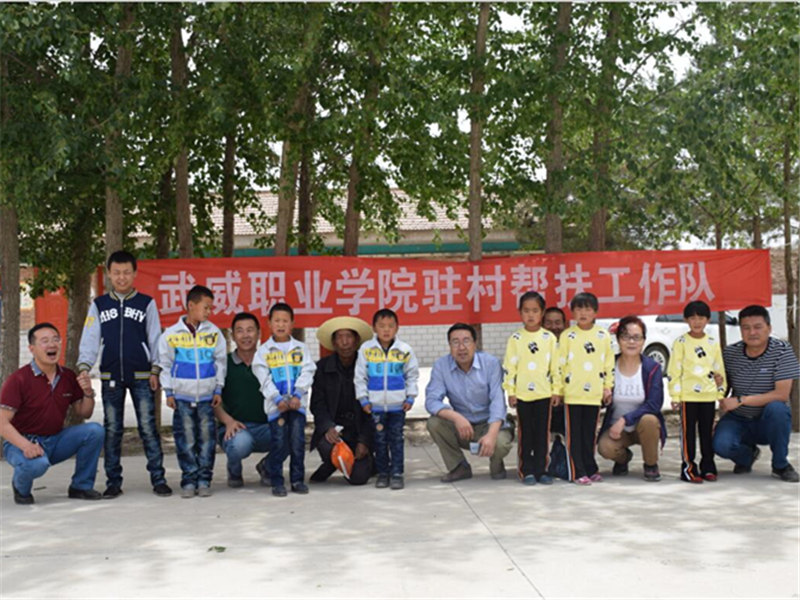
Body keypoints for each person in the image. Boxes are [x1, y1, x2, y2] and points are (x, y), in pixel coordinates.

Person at [76, 250, 171, 499]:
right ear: (109, 274)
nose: (121, 277)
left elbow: (155, 338)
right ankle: (113, 482)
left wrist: (156, 368)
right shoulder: (99, 305)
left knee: (148, 428)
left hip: (142, 376)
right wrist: (84, 365)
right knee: (112, 430)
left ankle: (159, 479)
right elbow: (90, 337)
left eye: (126, 272)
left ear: (135, 273)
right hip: (110, 377)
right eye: (116, 272)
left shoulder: (146, 303)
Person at [1, 323, 104, 504]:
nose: (52, 344)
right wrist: (26, 445)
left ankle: (81, 486)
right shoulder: (19, 379)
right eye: (45, 341)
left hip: (55, 440)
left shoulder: (67, 376)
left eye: (56, 339)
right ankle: (20, 487)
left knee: (95, 431)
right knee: (37, 465)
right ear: (32, 349)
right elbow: (2, 422)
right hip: (21, 442)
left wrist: (88, 393)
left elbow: (84, 412)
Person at [713, 305, 800, 482]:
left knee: (778, 409)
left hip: (768, 421)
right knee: (721, 444)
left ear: (769, 328)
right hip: (738, 418)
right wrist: (716, 387)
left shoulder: (782, 351)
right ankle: (747, 456)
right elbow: (722, 390)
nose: (752, 332)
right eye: (746, 328)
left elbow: (781, 395)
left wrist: (741, 400)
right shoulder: (730, 353)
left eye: (758, 327)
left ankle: (780, 465)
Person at [157, 285, 227, 498]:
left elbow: (220, 362)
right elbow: (165, 364)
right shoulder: (171, 334)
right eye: (205, 307)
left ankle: (204, 479)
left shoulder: (214, 333)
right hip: (182, 399)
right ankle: (188, 479)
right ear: (190, 305)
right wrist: (169, 392)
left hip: (206, 398)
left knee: (206, 440)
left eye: (211, 308)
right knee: (185, 440)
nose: (209, 312)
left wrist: (218, 388)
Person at [426, 323, 513, 482]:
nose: (461, 347)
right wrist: (456, 417)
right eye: (455, 342)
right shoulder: (441, 366)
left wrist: (491, 435)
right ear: (449, 346)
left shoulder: (491, 363)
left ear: (475, 343)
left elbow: (498, 402)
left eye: (466, 341)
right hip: (463, 427)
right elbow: (431, 401)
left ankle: (496, 463)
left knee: (501, 442)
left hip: (488, 423)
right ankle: (459, 467)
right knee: (434, 423)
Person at [252, 302, 316, 497]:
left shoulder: (301, 348)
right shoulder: (264, 351)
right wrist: (276, 398)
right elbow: (263, 379)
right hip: (276, 407)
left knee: (297, 443)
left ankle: (297, 480)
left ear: (292, 324)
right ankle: (277, 481)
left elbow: (308, 371)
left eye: (285, 321)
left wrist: (298, 394)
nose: (281, 325)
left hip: (297, 405)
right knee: (278, 443)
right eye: (277, 321)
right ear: (269, 324)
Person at [553, 292, 614, 485]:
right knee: (574, 435)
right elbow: (559, 365)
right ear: (572, 313)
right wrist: (558, 390)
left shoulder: (603, 335)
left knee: (589, 434)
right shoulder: (567, 336)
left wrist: (607, 387)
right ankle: (577, 471)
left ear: (595, 312)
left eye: (587, 309)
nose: (583, 313)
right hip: (572, 394)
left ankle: (590, 468)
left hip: (594, 394)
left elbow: (608, 364)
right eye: (578, 309)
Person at [355, 308, 419, 490]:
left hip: (397, 406)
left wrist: (410, 397)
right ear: (374, 328)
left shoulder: (404, 350)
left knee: (396, 439)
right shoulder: (366, 350)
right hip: (375, 406)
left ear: (397, 328)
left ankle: (397, 473)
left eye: (390, 326)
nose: (386, 330)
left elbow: (412, 375)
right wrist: (363, 399)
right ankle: (383, 473)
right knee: (379, 440)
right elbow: (360, 377)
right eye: (382, 326)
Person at [598, 315, 666, 482]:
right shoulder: (609, 365)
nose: (631, 342)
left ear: (643, 341)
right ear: (618, 339)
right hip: (617, 430)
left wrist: (625, 419)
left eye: (636, 337)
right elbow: (599, 399)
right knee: (605, 448)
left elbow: (654, 404)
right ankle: (623, 459)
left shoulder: (652, 368)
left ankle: (650, 464)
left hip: (643, 427)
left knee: (650, 420)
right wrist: (602, 398)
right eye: (626, 337)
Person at [309, 315, 375, 485]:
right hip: (336, 429)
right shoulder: (322, 367)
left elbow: (373, 407)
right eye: (340, 337)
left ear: (357, 341)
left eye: (349, 337)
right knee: (327, 445)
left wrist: (364, 440)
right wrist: (328, 427)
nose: (345, 342)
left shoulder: (368, 366)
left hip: (359, 429)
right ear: (334, 342)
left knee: (358, 478)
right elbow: (317, 404)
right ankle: (332, 462)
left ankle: (344, 464)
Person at [667, 300, 726, 483]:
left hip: (708, 395)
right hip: (688, 396)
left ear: (707, 320)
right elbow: (674, 370)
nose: (697, 322)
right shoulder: (681, 343)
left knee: (707, 433)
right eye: (692, 318)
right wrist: (675, 395)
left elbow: (719, 369)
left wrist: (720, 393)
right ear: (686, 320)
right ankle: (689, 468)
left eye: (701, 318)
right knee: (688, 434)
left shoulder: (712, 342)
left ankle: (708, 466)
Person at [503, 291, 558, 485]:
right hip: (523, 395)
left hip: (544, 394)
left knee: (542, 433)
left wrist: (556, 390)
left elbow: (555, 367)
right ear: (520, 312)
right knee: (526, 433)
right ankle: (526, 470)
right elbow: (510, 367)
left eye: (535, 310)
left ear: (542, 312)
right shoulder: (516, 339)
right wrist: (511, 391)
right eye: (526, 311)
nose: (531, 315)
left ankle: (542, 469)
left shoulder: (549, 338)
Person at [215, 312, 271, 488]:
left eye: (250, 330)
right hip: (234, 427)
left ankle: (268, 466)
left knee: (292, 434)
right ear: (232, 336)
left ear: (259, 333)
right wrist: (228, 421)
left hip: (266, 427)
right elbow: (213, 400)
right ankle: (234, 471)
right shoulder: (223, 364)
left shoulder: (270, 361)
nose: (245, 335)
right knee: (240, 444)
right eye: (240, 331)